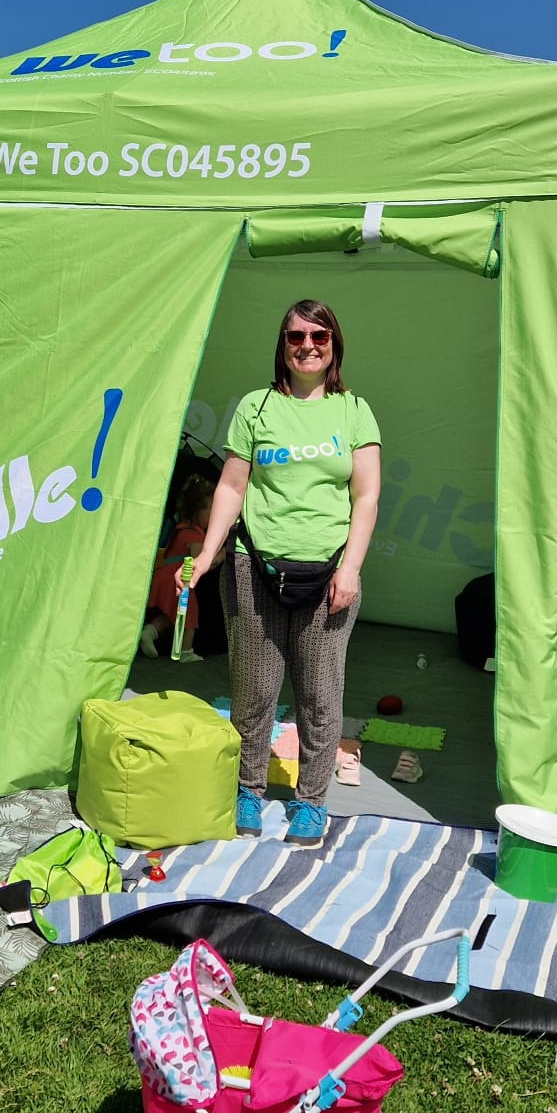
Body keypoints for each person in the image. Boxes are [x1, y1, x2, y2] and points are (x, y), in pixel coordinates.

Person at [180, 300, 380, 845]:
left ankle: (310, 801)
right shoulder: (256, 407)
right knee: (253, 693)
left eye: (319, 336)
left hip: (329, 575)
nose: (307, 345)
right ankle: (247, 790)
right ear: (282, 344)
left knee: (320, 695)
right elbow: (231, 487)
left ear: (334, 344)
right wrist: (208, 553)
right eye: (296, 336)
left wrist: (351, 568)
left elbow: (366, 497)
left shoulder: (354, 411)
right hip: (254, 570)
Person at [138, 473, 214, 662]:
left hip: (164, 575)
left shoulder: (180, 527)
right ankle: (185, 652)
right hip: (176, 578)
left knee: (172, 611)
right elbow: (200, 561)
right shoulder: (193, 534)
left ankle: (149, 632)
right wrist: (219, 555)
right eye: (210, 509)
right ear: (197, 511)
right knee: (189, 611)